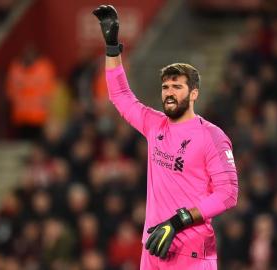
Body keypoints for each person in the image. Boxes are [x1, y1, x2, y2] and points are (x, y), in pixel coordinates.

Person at [93, 5, 239, 269]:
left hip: (191, 252)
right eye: (165, 87)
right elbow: (120, 96)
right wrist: (112, 48)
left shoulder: (211, 136)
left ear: (194, 93)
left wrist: (180, 220)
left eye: (177, 87)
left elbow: (228, 194)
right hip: (154, 247)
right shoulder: (155, 125)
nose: (169, 92)